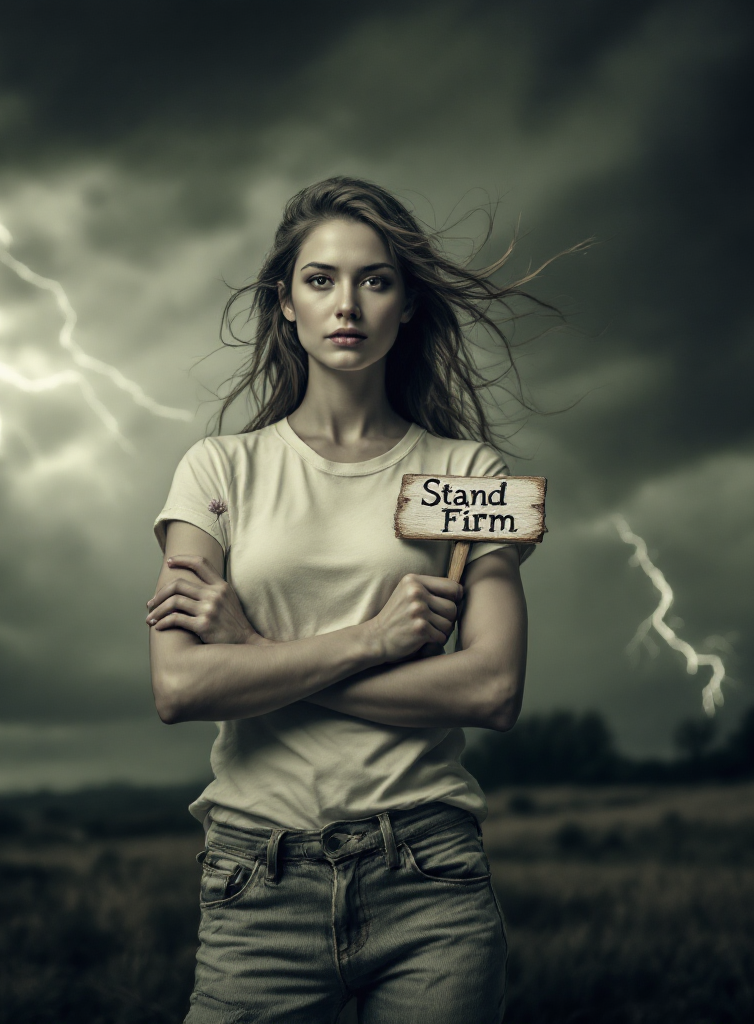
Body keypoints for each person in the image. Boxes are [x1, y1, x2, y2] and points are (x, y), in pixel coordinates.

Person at [146, 177, 555, 1024]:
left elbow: (490, 691)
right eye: (320, 279)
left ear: (407, 305)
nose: (348, 305)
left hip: (429, 879)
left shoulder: (466, 475)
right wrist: (374, 640)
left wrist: (254, 653)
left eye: (375, 280)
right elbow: (181, 688)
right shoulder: (218, 471)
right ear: (284, 304)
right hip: (258, 881)